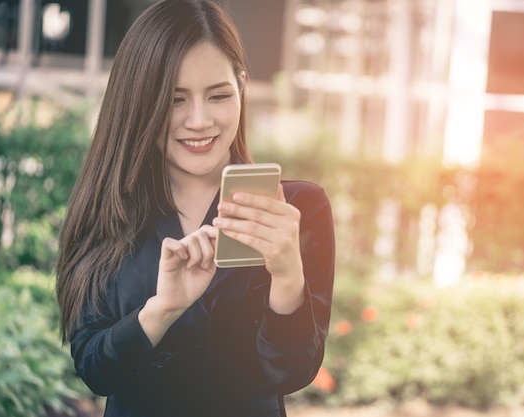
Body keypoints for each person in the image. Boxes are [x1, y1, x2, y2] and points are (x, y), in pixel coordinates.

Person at [55, 1, 335, 416]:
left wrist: (287, 277)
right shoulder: (108, 207)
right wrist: (161, 310)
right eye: (175, 100)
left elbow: (293, 372)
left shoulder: (296, 210)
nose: (200, 120)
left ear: (241, 85)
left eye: (218, 95)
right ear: (139, 102)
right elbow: (95, 369)